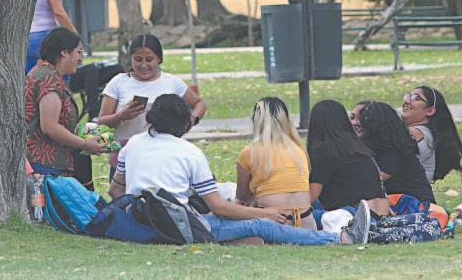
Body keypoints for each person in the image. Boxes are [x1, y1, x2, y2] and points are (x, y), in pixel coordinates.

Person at [108, 94, 370, 245]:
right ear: (184, 123)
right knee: (261, 225)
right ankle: (338, 240)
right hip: (178, 225)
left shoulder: (133, 143)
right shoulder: (189, 152)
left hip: (139, 219)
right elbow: (220, 208)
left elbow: (115, 189)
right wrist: (265, 213)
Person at [308, 100, 446, 244]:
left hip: (372, 209)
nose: (356, 123)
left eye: (361, 120)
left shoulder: (394, 153)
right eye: (352, 117)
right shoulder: (358, 148)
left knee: (302, 214)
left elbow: (311, 197)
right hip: (375, 209)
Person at [98, 34, 206, 177]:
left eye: (149, 59)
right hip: (125, 164)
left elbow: (199, 103)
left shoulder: (171, 82)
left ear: (159, 59)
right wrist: (121, 116)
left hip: (163, 161)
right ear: (131, 59)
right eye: (138, 59)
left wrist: (191, 120)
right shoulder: (118, 83)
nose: (143, 65)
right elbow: (101, 123)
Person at [25, 28, 106, 180]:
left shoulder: (45, 73)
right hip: (45, 166)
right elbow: (50, 127)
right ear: (64, 52)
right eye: (78, 52)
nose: (80, 58)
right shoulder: (48, 79)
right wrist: (84, 144)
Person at [236, 97, 314, 228]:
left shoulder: (250, 152)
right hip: (306, 221)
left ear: (256, 122)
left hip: (274, 222)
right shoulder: (299, 150)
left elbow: (242, 196)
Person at [307, 100, 388, 216]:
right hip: (381, 211)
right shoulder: (357, 145)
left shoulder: (324, 150)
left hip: (355, 215)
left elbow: (311, 197)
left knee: (294, 216)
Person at [358, 102, 435, 203]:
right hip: (399, 202)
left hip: (416, 205)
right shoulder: (383, 146)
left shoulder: (396, 151)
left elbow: (374, 179)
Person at [402, 86, 462, 182]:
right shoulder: (427, 134)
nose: (407, 101)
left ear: (430, 110)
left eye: (416, 98)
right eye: (408, 96)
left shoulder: (415, 133)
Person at [25, 0, 77, 74]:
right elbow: (59, 13)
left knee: (34, 77)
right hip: (46, 37)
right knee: (59, 76)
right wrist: (75, 36)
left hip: (28, 39)